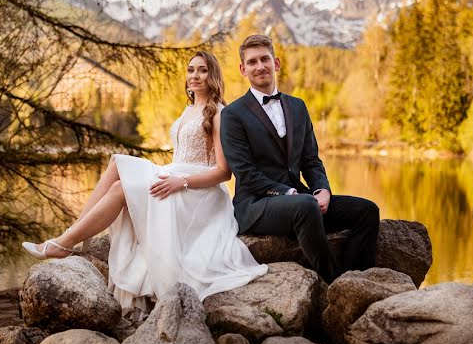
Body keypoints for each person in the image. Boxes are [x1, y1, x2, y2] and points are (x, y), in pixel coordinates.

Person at [21, 50, 267, 318]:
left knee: (119, 181)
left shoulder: (219, 113)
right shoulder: (188, 110)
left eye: (203, 70)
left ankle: (67, 241)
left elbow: (223, 172)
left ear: (213, 76)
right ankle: (73, 237)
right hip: (173, 174)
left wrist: (181, 182)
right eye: (191, 69)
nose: (195, 75)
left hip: (198, 192)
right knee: (117, 166)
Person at [220, 34, 380, 283]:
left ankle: (356, 279)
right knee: (305, 206)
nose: (259, 66)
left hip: (302, 199)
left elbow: (311, 160)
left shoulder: (298, 106)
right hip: (256, 205)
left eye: (265, 59)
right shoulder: (233, 114)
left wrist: (322, 189)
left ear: (277, 63)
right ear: (243, 69)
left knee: (367, 211)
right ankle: (334, 281)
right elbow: (245, 174)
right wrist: (290, 194)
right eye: (252, 62)